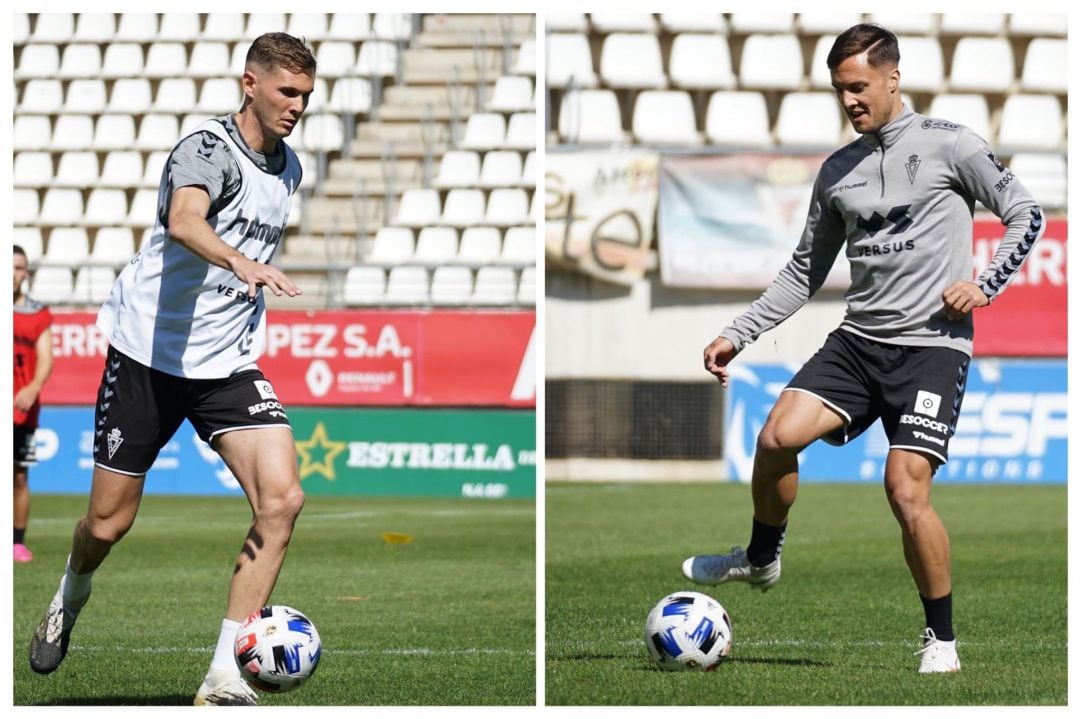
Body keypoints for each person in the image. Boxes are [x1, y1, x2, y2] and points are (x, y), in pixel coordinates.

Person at [682, 23, 1043, 673]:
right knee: (775, 438)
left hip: (933, 346)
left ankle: (941, 638)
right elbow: (803, 273)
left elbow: (1027, 214)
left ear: (892, 78)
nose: (849, 100)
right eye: (838, 90)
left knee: (904, 489)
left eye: (858, 86)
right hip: (859, 341)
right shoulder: (837, 171)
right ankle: (761, 557)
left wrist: (984, 285)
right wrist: (739, 331)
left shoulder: (951, 146)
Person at [28, 33, 316, 705]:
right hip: (148, 355)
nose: (297, 106)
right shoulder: (206, 151)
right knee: (107, 524)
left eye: (306, 95)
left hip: (227, 362)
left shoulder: (290, 166)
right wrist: (237, 261)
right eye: (286, 92)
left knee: (283, 499)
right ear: (250, 84)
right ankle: (70, 591)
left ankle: (224, 676)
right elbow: (186, 220)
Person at [13, 245, 54, 564]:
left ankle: (16, 542)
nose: (14, 274)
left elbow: (45, 358)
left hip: (22, 408)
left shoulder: (38, 314)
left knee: (19, 476)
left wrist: (33, 388)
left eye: (19, 268)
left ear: (26, 273)